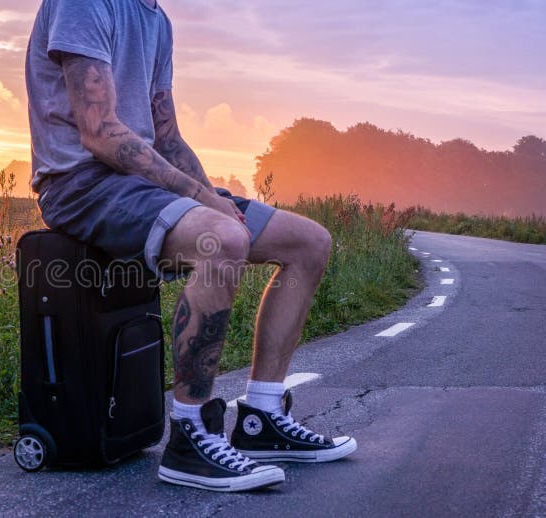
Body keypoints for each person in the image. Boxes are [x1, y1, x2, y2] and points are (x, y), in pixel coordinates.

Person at [25, 0, 357, 492]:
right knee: (221, 240)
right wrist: (205, 204)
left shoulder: (156, 18)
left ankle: (261, 418)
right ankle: (190, 435)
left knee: (309, 242)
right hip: (82, 184)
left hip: (141, 183)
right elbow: (98, 133)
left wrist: (215, 196)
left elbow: (167, 137)